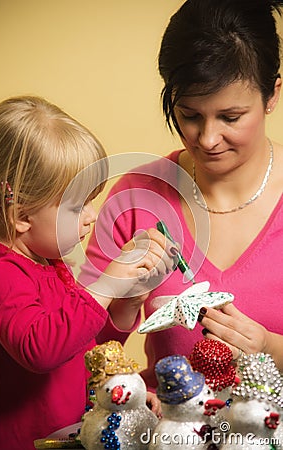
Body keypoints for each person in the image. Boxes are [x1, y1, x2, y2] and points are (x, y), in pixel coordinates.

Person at [79, 0, 283, 392]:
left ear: (271, 95)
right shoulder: (135, 199)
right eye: (190, 115)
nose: (206, 140)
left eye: (230, 117)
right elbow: (81, 359)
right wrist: (123, 302)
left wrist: (271, 348)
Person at [0, 96, 175, 450]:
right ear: (21, 216)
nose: (91, 215)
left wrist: (124, 306)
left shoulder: (49, 265)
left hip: (70, 434)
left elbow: (79, 347)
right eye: (78, 205)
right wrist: (104, 285)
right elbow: (41, 349)